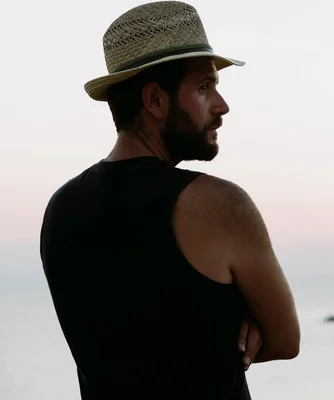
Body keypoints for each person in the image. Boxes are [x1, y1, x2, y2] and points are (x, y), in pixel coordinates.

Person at [39, 1, 300, 399]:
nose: (222, 106)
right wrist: (243, 323)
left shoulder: (60, 208)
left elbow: (121, 341)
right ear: (155, 100)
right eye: (204, 86)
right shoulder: (220, 205)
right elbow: (286, 341)